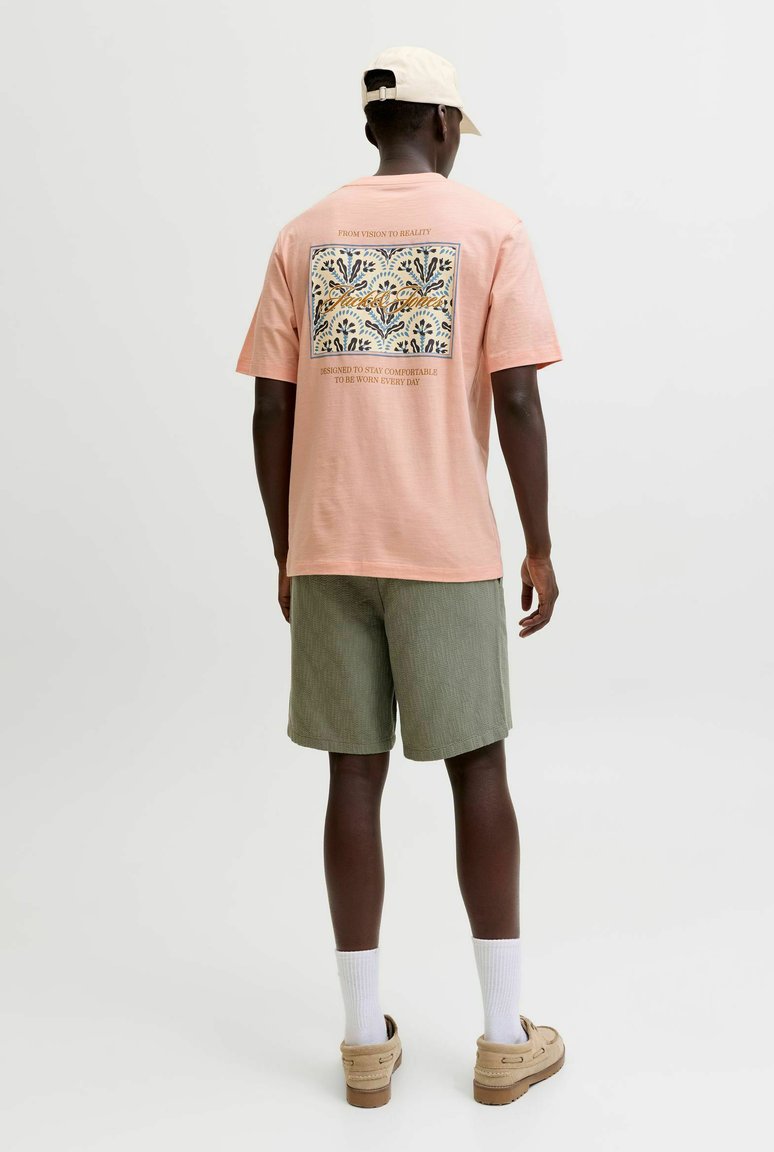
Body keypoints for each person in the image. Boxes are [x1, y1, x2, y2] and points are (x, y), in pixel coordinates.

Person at [235, 44, 566, 1108]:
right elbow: (517, 398)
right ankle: (505, 1039)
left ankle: (360, 1045)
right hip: (443, 548)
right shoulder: (490, 229)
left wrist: (287, 548)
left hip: (330, 544)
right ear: (441, 124)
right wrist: (538, 543)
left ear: (375, 126)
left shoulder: (303, 234)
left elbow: (270, 406)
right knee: (479, 771)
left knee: (351, 777)